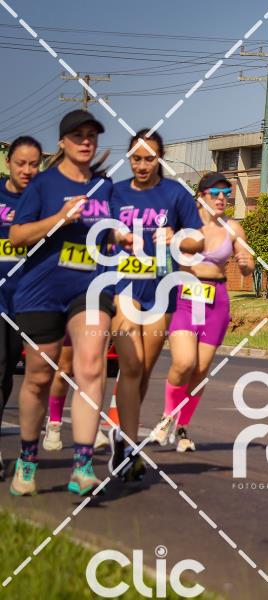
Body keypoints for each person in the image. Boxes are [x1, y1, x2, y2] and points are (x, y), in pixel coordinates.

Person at [9, 110, 117, 497]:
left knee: (91, 365)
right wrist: (58, 218)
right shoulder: (42, 184)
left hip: (89, 286)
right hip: (41, 290)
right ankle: (27, 459)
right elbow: (18, 235)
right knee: (39, 376)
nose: (86, 141)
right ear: (62, 143)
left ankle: (82, 465)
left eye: (91, 135)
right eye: (77, 135)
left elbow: (111, 232)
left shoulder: (106, 187)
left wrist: (121, 237)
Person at [107, 129, 203, 480]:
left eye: (149, 158)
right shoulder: (116, 192)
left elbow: (198, 239)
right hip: (124, 284)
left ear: (159, 158)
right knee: (131, 365)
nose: (142, 165)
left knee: (144, 369)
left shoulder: (175, 193)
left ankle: (122, 434)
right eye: (136, 158)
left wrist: (177, 237)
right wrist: (116, 234)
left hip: (161, 289)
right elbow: (100, 230)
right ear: (129, 158)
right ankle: (128, 445)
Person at [149, 172, 253, 452]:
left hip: (216, 300)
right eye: (215, 193)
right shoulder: (184, 224)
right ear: (201, 195)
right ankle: (166, 417)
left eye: (226, 194)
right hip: (185, 295)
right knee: (183, 363)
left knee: (201, 369)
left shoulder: (233, 228)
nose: (221, 198)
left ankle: (182, 426)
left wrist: (245, 263)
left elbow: (248, 265)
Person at [0, 136, 40, 477]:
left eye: (34, 164)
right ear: (8, 163)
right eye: (20, 163)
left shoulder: (43, 200)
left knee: (7, 373)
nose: (27, 170)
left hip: (25, 299)